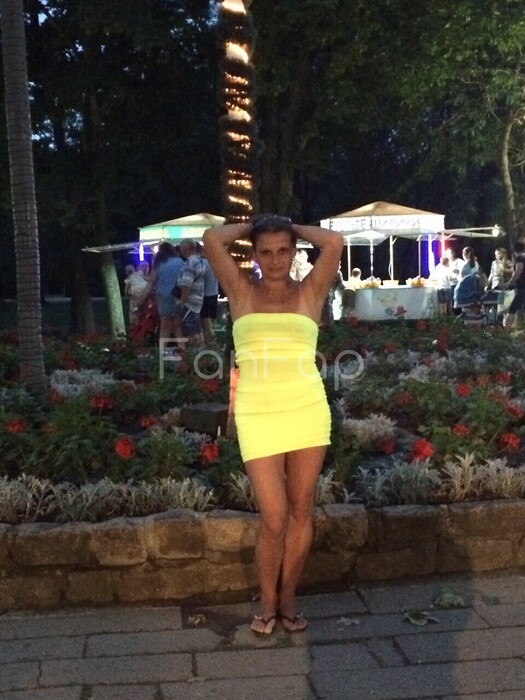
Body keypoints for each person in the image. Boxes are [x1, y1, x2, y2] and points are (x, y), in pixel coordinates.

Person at [203, 215, 343, 635]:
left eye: (284, 250)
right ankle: (266, 603)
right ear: (254, 255)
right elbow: (212, 238)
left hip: (307, 409)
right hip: (258, 412)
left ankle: (287, 601)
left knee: (301, 511)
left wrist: (290, 227)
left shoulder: (310, 291)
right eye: (266, 252)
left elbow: (334, 241)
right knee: (275, 516)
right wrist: (256, 226)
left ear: (295, 252)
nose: (276, 259)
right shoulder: (241, 290)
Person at [137, 242, 184, 350]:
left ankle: (162, 351)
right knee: (177, 325)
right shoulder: (180, 262)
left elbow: (151, 283)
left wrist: (140, 300)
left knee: (164, 326)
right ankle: (182, 349)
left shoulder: (159, 263)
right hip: (178, 296)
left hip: (163, 297)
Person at [173, 238, 206, 345]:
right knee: (198, 330)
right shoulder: (199, 261)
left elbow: (186, 285)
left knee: (190, 332)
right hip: (197, 301)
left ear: (185, 249)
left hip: (189, 303)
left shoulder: (190, 263)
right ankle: (203, 351)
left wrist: (182, 303)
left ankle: (194, 352)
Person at [501, 239, 525, 333]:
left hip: (522, 287)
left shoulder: (520, 259)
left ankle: (505, 332)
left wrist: (508, 283)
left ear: (514, 250)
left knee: (512, 309)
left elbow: (518, 272)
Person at [198, 244, 220, 346]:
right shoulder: (215, 264)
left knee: (205, 324)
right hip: (214, 294)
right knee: (210, 323)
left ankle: (211, 344)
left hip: (205, 296)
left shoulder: (202, 263)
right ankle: (212, 343)